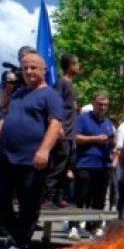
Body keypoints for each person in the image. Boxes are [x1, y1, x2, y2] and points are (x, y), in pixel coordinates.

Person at [0, 51, 64, 249]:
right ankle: (18, 236)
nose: (29, 71)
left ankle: (20, 245)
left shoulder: (50, 95)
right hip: (6, 157)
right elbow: (4, 120)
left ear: (44, 70)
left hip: (32, 160)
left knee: (29, 204)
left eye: (33, 67)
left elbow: (55, 124)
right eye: (25, 67)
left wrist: (44, 150)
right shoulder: (17, 95)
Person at [72, 92, 116, 239]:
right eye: (100, 104)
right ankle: (75, 226)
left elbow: (112, 143)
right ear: (94, 104)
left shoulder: (108, 122)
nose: (102, 107)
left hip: (103, 165)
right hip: (85, 163)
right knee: (81, 196)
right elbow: (76, 138)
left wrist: (111, 141)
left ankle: (95, 225)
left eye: (105, 105)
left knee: (100, 197)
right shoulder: (83, 119)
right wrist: (95, 139)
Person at [45, 53, 80, 207]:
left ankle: (58, 196)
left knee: (65, 166)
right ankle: (46, 197)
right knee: (58, 165)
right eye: (76, 63)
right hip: (63, 133)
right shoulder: (62, 83)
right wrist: (58, 126)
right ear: (70, 66)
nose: (79, 67)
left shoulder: (71, 85)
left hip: (71, 133)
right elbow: (55, 105)